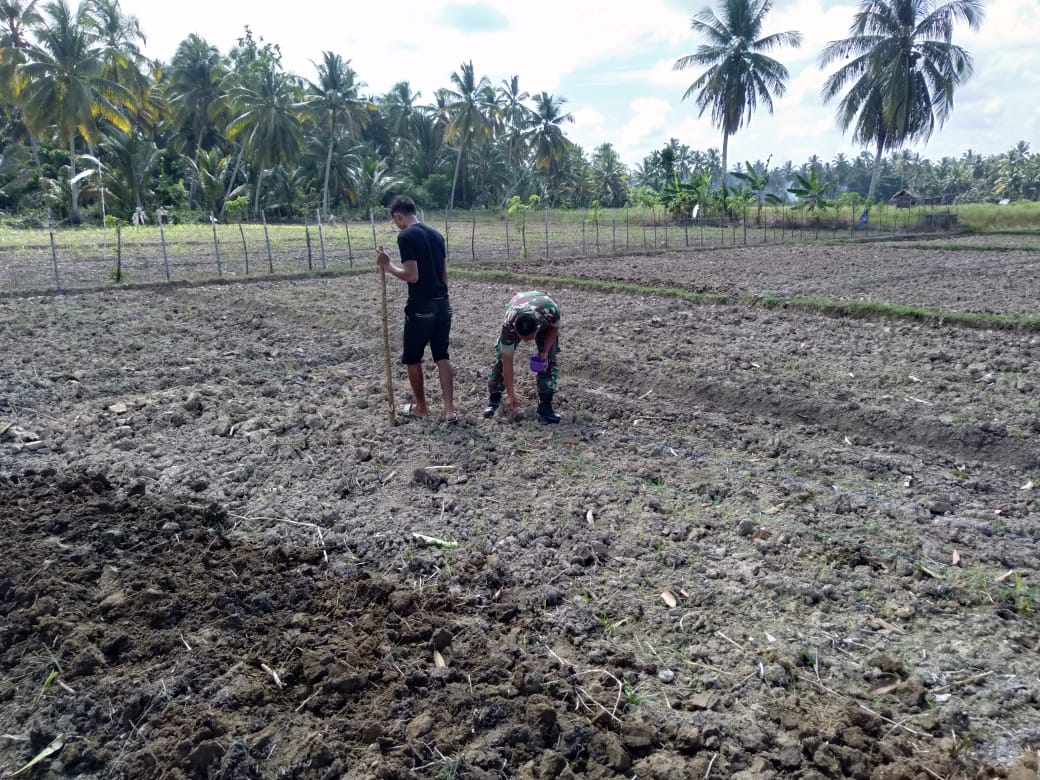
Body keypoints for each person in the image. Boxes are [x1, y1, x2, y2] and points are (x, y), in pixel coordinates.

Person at [376, 195, 456, 422]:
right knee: (442, 356)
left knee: (413, 357)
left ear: (398, 216)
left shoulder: (406, 236)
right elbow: (444, 275)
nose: (396, 225)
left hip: (421, 305)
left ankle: (421, 407)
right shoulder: (437, 235)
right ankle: (449, 409)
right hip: (443, 303)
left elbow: (412, 275)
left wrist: (388, 265)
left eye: (395, 221)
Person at [483, 290, 561, 424]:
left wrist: (545, 352)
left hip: (543, 308)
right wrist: (511, 394)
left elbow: (554, 329)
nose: (526, 341)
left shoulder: (551, 312)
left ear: (537, 328)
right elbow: (507, 362)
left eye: (529, 338)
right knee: (501, 359)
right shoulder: (509, 324)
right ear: (516, 330)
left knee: (549, 360)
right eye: (522, 338)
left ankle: (545, 405)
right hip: (518, 305)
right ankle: (494, 398)